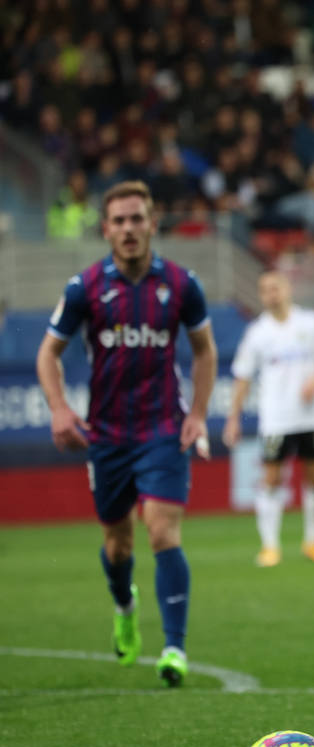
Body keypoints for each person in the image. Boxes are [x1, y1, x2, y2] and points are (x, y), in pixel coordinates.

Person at [35, 180, 217, 688]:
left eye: (137, 218)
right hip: (108, 434)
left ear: (153, 223)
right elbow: (48, 353)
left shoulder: (181, 284)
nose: (129, 229)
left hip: (162, 428)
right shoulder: (85, 288)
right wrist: (58, 408)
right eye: (119, 221)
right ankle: (124, 604)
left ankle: (175, 648)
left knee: (162, 529)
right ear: (106, 229)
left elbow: (204, 350)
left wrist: (198, 412)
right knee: (118, 545)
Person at [222, 272, 314, 567]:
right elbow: (242, 377)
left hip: (312, 417)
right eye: (265, 290)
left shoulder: (311, 323)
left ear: (287, 289)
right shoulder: (257, 333)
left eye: (275, 288)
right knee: (272, 478)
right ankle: (270, 546)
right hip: (276, 418)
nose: (271, 294)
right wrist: (233, 418)